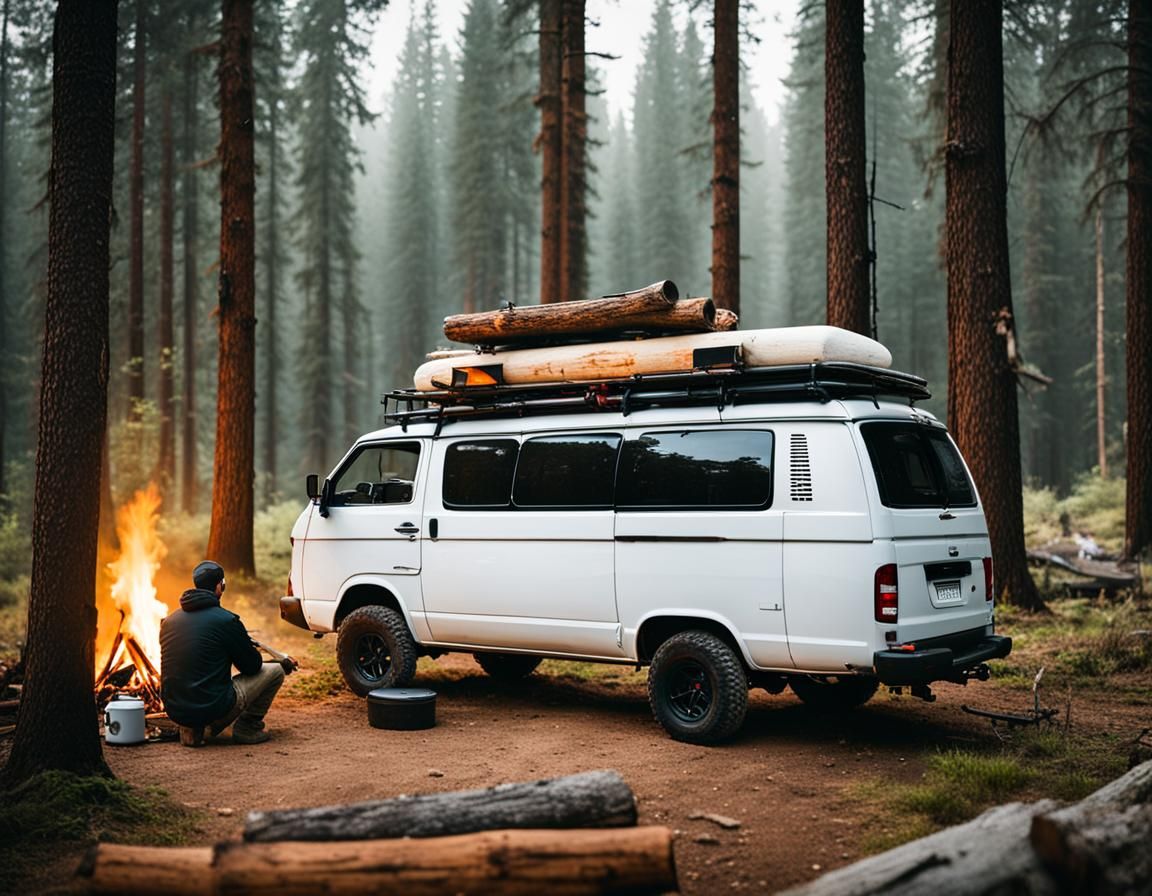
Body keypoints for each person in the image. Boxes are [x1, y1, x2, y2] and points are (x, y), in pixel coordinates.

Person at [160, 560, 292, 746]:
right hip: (212, 707)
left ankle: (191, 727)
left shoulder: (169, 622)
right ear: (220, 586)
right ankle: (247, 727)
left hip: (175, 709)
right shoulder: (227, 621)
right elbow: (252, 667)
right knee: (276, 672)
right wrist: (275, 660)